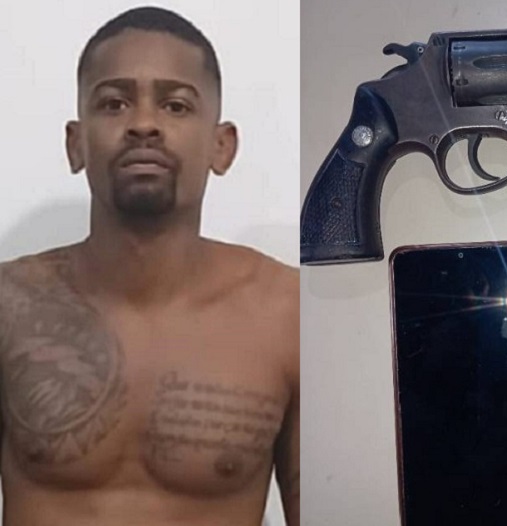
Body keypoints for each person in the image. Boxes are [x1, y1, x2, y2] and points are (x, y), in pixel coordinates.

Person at [0, 7, 298, 526]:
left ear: (222, 146)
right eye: (113, 103)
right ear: (76, 143)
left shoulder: (285, 316)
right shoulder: (9, 308)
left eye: (176, 105)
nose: (143, 124)